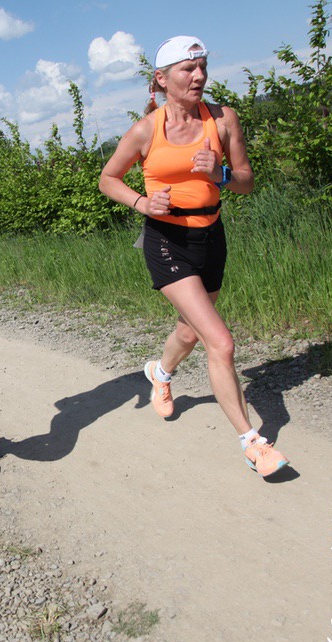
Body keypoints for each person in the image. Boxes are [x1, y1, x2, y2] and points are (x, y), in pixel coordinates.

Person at [98, 35, 288, 477]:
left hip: (211, 237)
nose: (199, 75)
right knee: (220, 341)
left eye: (202, 66)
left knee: (189, 331)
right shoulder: (146, 130)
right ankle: (253, 443)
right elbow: (108, 178)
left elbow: (247, 181)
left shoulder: (222, 120)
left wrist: (220, 174)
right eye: (188, 68)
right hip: (166, 240)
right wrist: (143, 203)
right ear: (163, 79)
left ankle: (160, 374)